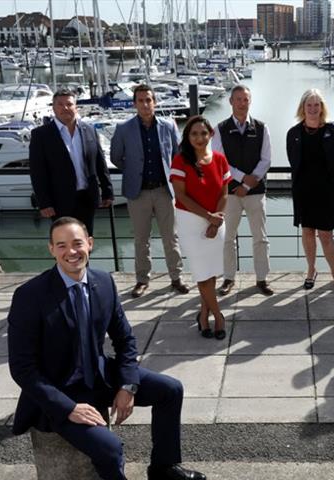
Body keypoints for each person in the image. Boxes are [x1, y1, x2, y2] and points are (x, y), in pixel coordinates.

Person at [7, 217, 205, 480]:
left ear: (89, 243)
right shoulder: (30, 295)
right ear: (51, 250)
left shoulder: (102, 282)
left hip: (100, 375)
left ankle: (164, 466)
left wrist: (127, 384)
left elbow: (125, 339)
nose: (71, 251)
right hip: (61, 392)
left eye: (77, 243)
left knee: (170, 389)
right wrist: (68, 408)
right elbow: (22, 369)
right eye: (62, 245)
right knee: (110, 448)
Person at [110, 84, 190, 298]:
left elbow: (177, 154)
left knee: (170, 237)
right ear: (135, 103)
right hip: (138, 192)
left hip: (164, 190)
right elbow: (115, 158)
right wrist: (134, 169)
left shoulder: (168, 126)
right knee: (141, 239)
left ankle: (176, 277)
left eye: (149, 100)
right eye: (141, 100)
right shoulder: (123, 129)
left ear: (154, 102)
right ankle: (142, 280)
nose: (145, 104)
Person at [170, 116, 231, 340]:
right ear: (188, 136)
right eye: (194, 134)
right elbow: (180, 195)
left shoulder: (220, 160)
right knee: (202, 273)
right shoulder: (180, 160)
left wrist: (217, 219)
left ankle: (203, 314)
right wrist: (208, 217)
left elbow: (224, 193)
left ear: (211, 135)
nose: (199, 138)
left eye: (203, 133)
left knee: (212, 272)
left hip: (217, 220)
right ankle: (219, 316)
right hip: (190, 222)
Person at [211, 84, 274, 296]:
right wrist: (239, 180)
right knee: (228, 237)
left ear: (250, 101)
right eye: (238, 99)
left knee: (260, 237)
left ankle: (262, 278)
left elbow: (266, 160)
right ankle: (228, 278)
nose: (241, 103)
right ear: (230, 102)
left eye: (245, 99)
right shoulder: (219, 129)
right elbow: (218, 161)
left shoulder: (261, 127)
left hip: (255, 192)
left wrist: (247, 184)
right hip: (230, 192)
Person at [286, 88, 334, 290]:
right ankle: (311, 270)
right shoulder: (293, 133)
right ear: (302, 108)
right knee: (307, 232)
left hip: (327, 192)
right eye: (309, 105)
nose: (313, 109)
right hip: (303, 192)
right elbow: (293, 161)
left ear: (322, 107)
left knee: (326, 235)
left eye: (316, 104)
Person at [29, 88, 113, 236]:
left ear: (76, 107)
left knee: (86, 242)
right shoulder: (41, 135)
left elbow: (100, 162)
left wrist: (107, 190)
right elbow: (37, 172)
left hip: (87, 197)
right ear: (53, 108)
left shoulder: (89, 130)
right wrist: (44, 202)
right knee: (65, 243)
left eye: (69, 104)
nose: (65, 108)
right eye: (60, 104)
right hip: (59, 201)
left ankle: (85, 261)